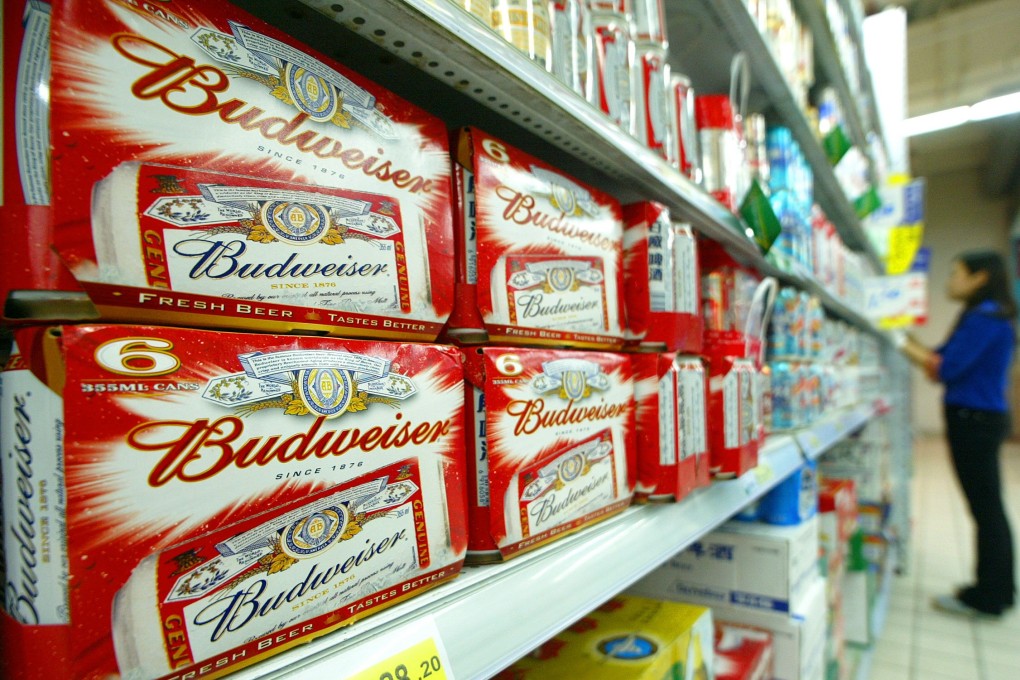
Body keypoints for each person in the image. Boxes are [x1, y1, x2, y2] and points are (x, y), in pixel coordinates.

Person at [897, 249, 1017, 618]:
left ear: (980, 277)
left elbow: (945, 368)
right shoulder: (984, 316)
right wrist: (910, 341)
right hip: (979, 418)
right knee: (987, 506)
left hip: (975, 420)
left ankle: (989, 596)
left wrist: (899, 341)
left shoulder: (986, 319)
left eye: (956, 274)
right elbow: (939, 358)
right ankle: (998, 588)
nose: (950, 282)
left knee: (986, 508)